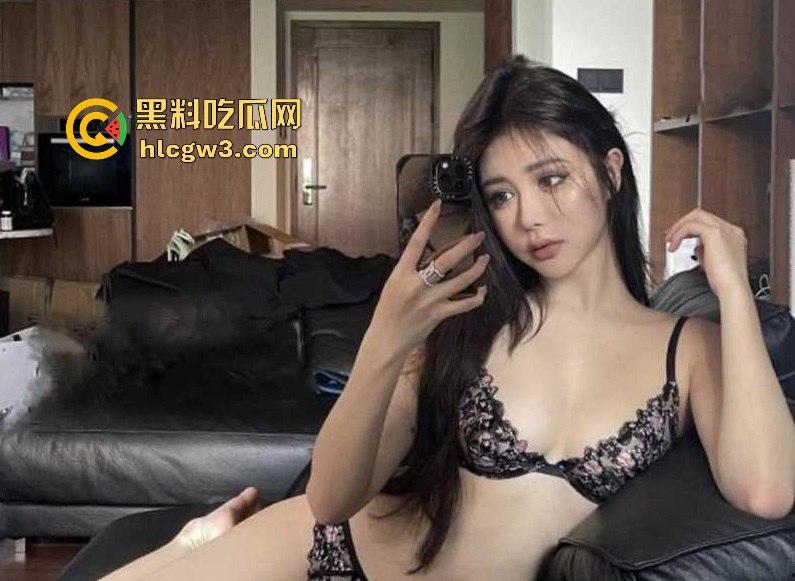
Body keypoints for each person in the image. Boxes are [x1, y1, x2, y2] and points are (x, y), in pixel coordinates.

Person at [102, 55, 795, 581]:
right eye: (501, 195)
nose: (528, 217)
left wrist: (734, 291)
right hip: (335, 555)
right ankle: (198, 541)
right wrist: (385, 338)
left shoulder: (690, 348)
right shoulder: (469, 320)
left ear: (610, 172)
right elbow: (331, 501)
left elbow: (765, 491)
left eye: (551, 178)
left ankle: (200, 539)